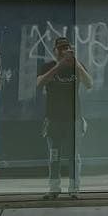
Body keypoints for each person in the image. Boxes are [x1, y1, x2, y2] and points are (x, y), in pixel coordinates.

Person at [36, 34, 92, 198]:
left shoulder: (77, 66)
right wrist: (58, 66)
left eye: (66, 49)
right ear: (54, 51)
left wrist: (76, 64)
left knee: (74, 156)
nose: (64, 52)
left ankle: (74, 189)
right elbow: (39, 84)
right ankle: (54, 188)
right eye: (61, 49)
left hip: (73, 118)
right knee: (54, 155)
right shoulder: (48, 66)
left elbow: (89, 84)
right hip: (54, 118)